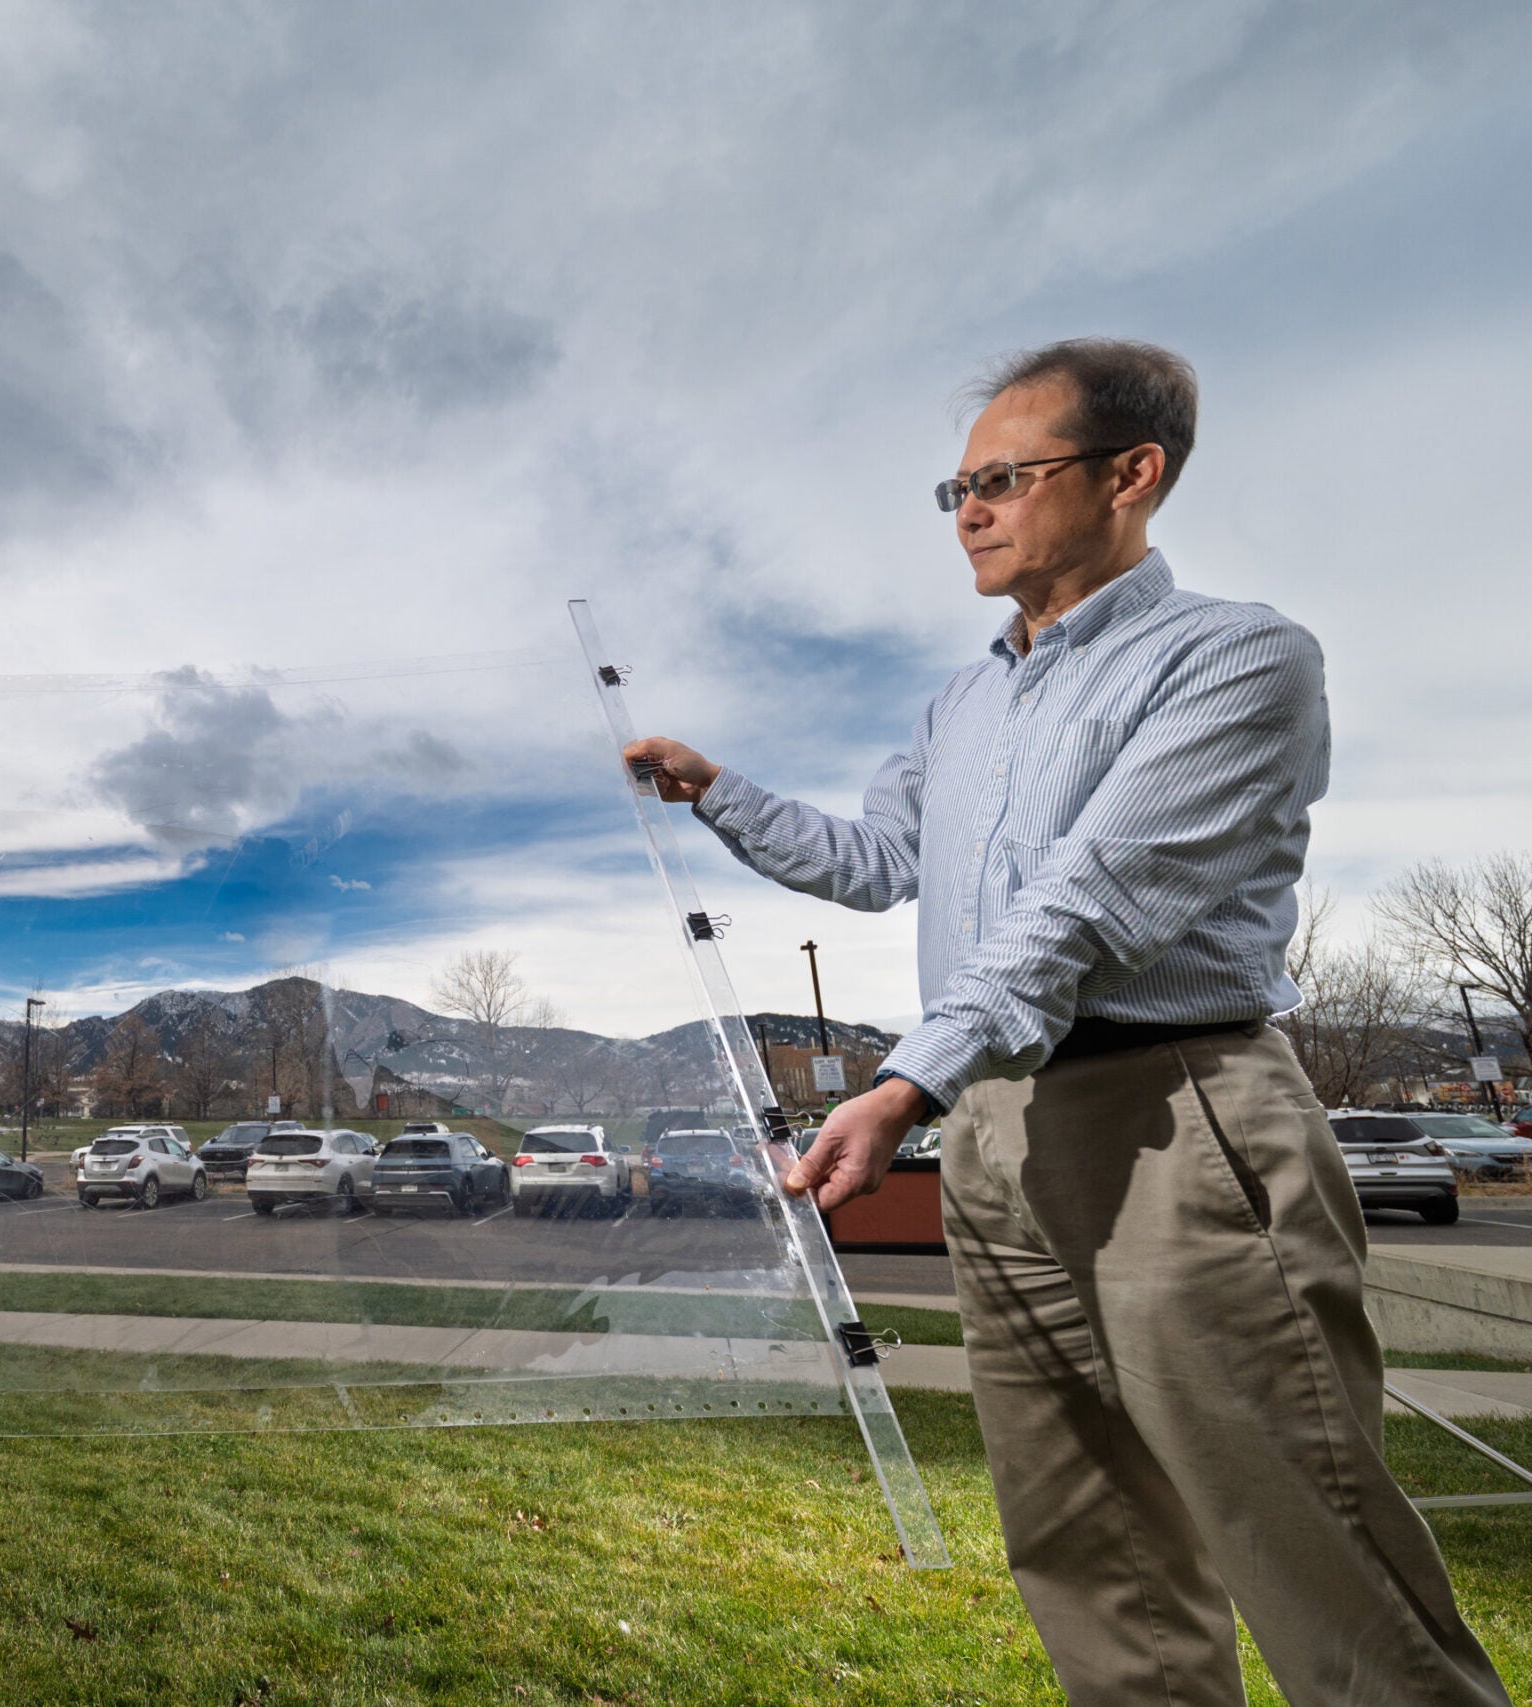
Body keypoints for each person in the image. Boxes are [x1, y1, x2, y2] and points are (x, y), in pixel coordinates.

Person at [626, 341, 1507, 1706]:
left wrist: (905, 1083)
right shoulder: (964, 699)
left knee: (1311, 1545)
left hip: (1177, 1119)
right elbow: (877, 860)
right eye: (956, 489)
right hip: (992, 1133)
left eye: (1002, 479)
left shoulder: (1236, 657)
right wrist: (718, 792)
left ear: (1129, 474)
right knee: (1090, 1554)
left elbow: (1090, 902)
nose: (968, 511)